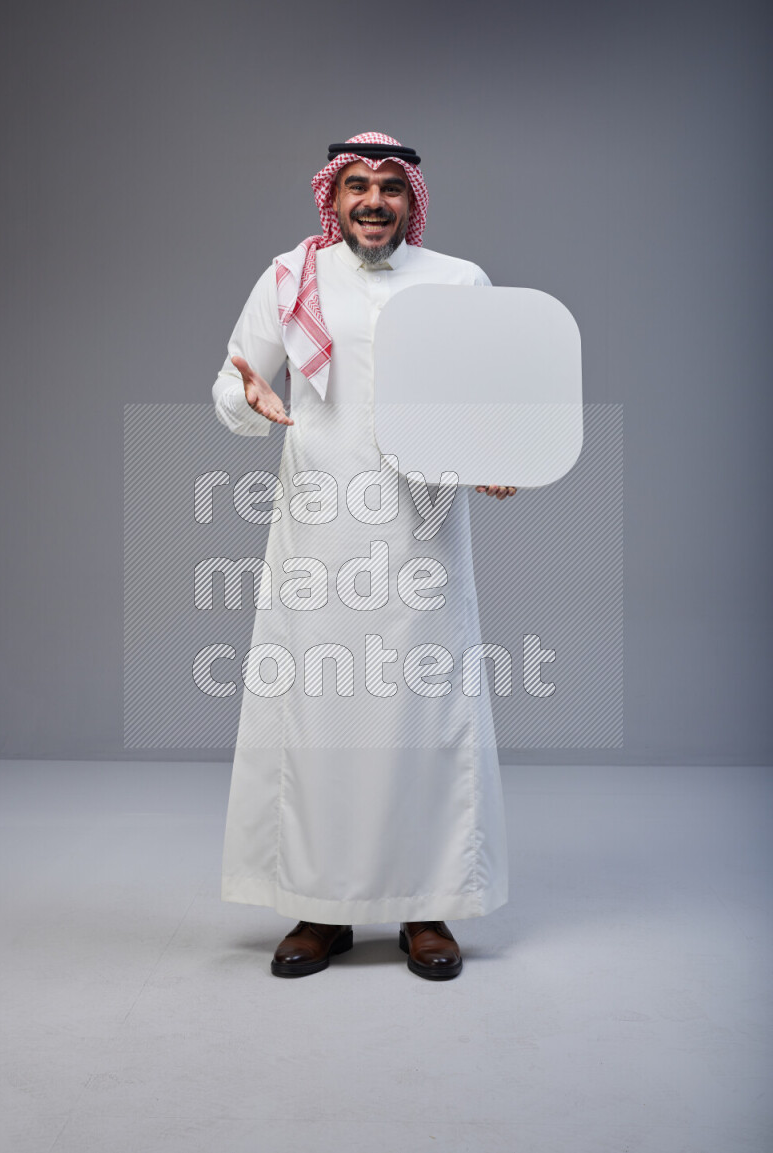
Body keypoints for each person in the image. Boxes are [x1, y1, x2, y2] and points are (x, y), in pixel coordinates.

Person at [211, 132, 516, 981]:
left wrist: (496, 456)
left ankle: (427, 908)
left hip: (422, 534)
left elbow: (490, 399)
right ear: (332, 196)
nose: (373, 200)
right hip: (319, 531)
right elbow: (231, 379)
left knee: (423, 711)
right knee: (320, 713)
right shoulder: (290, 278)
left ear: (412, 198)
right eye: (356, 185)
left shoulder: (459, 283)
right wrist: (251, 394)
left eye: (389, 185)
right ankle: (322, 907)